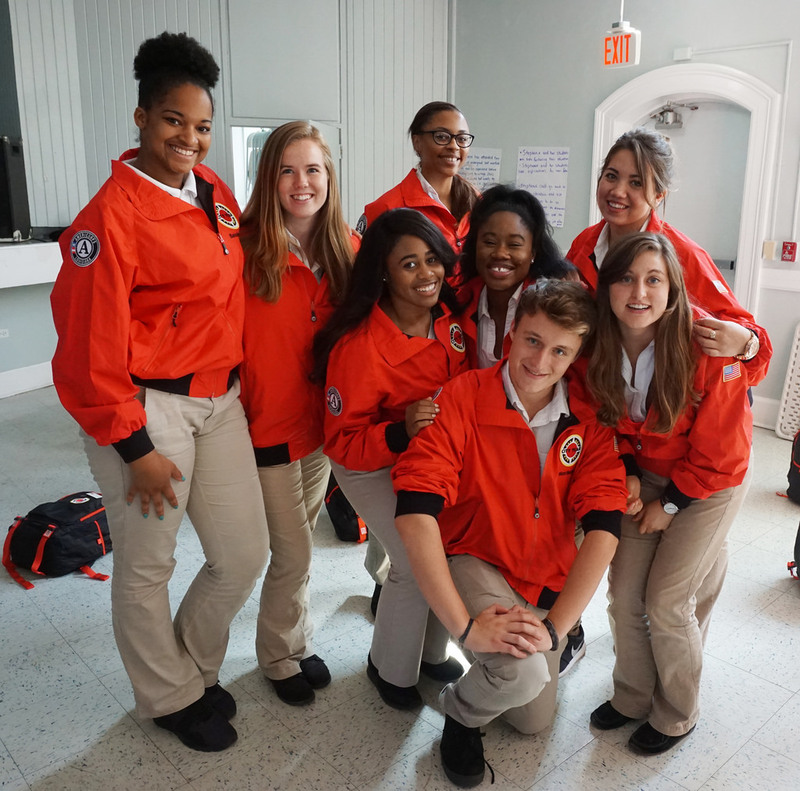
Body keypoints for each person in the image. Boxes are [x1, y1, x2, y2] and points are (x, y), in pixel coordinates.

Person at [50, 32, 269, 752]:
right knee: (148, 565)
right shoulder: (106, 219)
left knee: (242, 552)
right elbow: (86, 352)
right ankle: (167, 694)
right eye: (174, 120)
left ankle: (193, 665)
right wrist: (133, 444)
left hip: (221, 399)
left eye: (203, 126)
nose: (191, 138)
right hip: (146, 409)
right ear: (141, 117)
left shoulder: (215, 194)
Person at [392, 280, 628, 787]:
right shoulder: (462, 396)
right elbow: (415, 511)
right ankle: (458, 713)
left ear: (576, 356)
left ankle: (537, 647)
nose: (542, 361)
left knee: (530, 720)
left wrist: (555, 628)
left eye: (561, 350)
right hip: (477, 558)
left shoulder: (587, 417)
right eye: (533, 341)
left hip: (543, 577)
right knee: (519, 675)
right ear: (512, 334)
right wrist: (466, 628)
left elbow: (606, 527)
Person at [586, 232, 752, 755]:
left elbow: (721, 452)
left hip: (711, 481)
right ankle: (633, 695)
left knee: (667, 599)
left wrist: (671, 505)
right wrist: (629, 470)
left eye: (653, 279)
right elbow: (601, 420)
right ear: (606, 286)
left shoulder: (704, 343)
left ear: (673, 287)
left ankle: (678, 711)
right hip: (646, 475)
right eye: (626, 278)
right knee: (624, 595)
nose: (639, 292)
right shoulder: (598, 344)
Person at [313, 208, 470, 710]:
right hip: (371, 462)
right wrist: (400, 431)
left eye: (432, 260)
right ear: (383, 271)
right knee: (410, 561)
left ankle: (428, 654)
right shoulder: (359, 347)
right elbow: (344, 441)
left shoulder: (450, 319)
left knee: (442, 554)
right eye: (408, 264)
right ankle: (388, 669)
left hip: (431, 459)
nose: (426, 274)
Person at [238, 121, 358, 706]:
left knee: (302, 542)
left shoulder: (347, 252)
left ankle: (293, 639)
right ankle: (279, 656)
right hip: (265, 427)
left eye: (313, 169)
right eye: (287, 169)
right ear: (269, 178)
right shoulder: (242, 248)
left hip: (321, 430)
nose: (301, 182)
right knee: (294, 551)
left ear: (329, 178)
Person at [567, 127, 771, 386]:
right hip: (605, 388)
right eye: (611, 176)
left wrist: (746, 343)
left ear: (659, 195)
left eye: (636, 182)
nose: (618, 191)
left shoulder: (683, 254)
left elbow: (748, 341)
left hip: (667, 397)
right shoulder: (585, 243)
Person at [457, 184, 573, 369]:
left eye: (514, 244)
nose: (500, 253)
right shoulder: (459, 304)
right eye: (489, 242)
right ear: (474, 246)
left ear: (533, 252)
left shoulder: (552, 306)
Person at [357, 101, 478, 256]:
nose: (454, 146)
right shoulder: (386, 209)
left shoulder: (478, 203)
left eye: (462, 138)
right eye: (441, 137)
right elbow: (366, 273)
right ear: (417, 142)